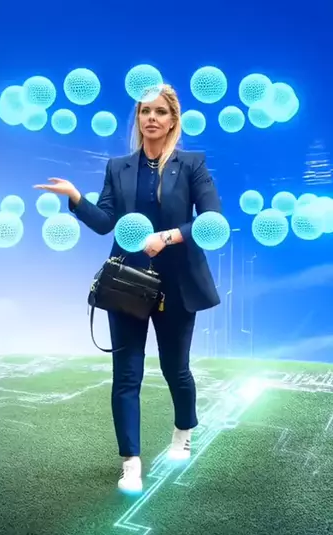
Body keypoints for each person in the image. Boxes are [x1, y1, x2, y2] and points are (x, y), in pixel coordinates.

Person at [34, 84, 221, 493]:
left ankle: (182, 432)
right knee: (126, 376)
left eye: (159, 112)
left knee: (176, 369)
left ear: (172, 120)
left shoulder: (192, 164)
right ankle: (130, 462)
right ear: (137, 118)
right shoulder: (118, 167)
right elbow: (105, 223)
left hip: (178, 285)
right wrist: (75, 197)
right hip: (127, 284)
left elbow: (211, 220)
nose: (151, 118)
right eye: (144, 111)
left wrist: (167, 237)